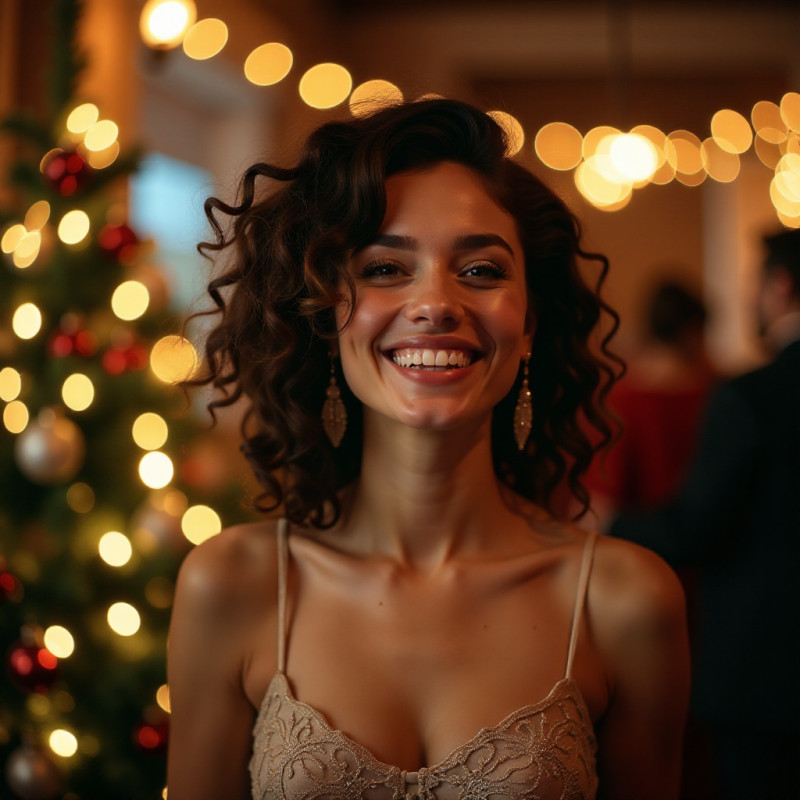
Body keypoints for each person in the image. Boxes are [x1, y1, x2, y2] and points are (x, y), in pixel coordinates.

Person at [166, 99, 689, 800]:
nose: (436, 302)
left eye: (480, 271)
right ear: (326, 314)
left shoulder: (624, 600)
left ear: (529, 322)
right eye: (385, 268)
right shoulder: (232, 585)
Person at [609, 228, 800, 799]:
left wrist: (603, 522)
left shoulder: (749, 396)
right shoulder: (719, 386)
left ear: (780, 285)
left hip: (763, 667)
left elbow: (692, 525)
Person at [584, 280, 716, 529]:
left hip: (642, 548)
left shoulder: (623, 402)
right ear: (693, 332)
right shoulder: (717, 396)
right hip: (710, 555)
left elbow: (598, 507)